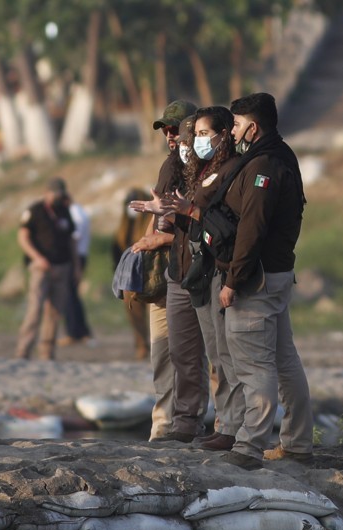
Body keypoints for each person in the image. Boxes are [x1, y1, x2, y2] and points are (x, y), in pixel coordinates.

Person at [218, 92, 313, 469]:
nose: (233, 132)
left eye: (237, 125)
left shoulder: (265, 167)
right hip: (277, 275)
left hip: (255, 280)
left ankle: (249, 446)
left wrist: (232, 280)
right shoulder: (283, 156)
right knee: (285, 362)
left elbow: (251, 230)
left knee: (255, 364)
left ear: (253, 127)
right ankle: (298, 443)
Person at [159, 105, 245, 452]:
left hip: (215, 271)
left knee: (223, 355)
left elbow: (220, 225)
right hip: (186, 272)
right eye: (188, 137)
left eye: (199, 134)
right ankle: (190, 422)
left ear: (223, 134)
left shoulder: (229, 169)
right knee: (188, 352)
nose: (188, 142)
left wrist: (187, 211)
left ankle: (230, 425)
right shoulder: (189, 167)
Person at [129, 99, 196, 440]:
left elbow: (199, 226)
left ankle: (193, 425)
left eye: (176, 128)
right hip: (166, 276)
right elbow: (160, 219)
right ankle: (163, 428)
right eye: (166, 129)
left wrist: (157, 241)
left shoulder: (202, 169)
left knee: (192, 356)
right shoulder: (169, 166)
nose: (170, 135)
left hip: (193, 274)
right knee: (162, 355)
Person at [14, 178, 76, 360]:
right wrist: (37, 258)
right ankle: (23, 351)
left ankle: (47, 353)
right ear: (47, 192)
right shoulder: (34, 211)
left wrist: (76, 266)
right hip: (41, 268)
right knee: (35, 309)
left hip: (62, 266)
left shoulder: (64, 211)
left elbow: (71, 239)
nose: (58, 196)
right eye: (55, 193)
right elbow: (23, 237)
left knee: (55, 312)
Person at [112, 188, 151, 360]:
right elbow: (116, 254)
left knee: (153, 315)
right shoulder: (122, 230)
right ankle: (141, 344)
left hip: (150, 275)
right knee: (134, 314)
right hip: (129, 279)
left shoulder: (150, 224)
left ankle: (154, 345)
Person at [58, 197, 93, 346]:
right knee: (72, 295)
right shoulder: (79, 211)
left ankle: (74, 332)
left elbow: (74, 238)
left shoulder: (74, 214)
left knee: (69, 296)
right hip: (79, 255)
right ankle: (81, 331)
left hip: (75, 257)